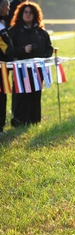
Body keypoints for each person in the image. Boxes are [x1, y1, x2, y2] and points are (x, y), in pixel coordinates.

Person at [9, 1, 53, 127]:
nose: (28, 15)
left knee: (35, 94)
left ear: (35, 15)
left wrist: (44, 57)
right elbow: (9, 51)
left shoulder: (41, 32)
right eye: (25, 12)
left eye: (31, 13)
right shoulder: (14, 31)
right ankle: (19, 119)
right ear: (21, 14)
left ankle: (34, 120)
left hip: (37, 69)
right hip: (21, 70)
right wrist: (23, 50)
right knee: (21, 95)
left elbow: (49, 48)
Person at [0, 0, 14, 135]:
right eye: (7, 6)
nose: (9, 9)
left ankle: (1, 126)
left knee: (3, 95)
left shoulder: (3, 23)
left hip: (4, 68)